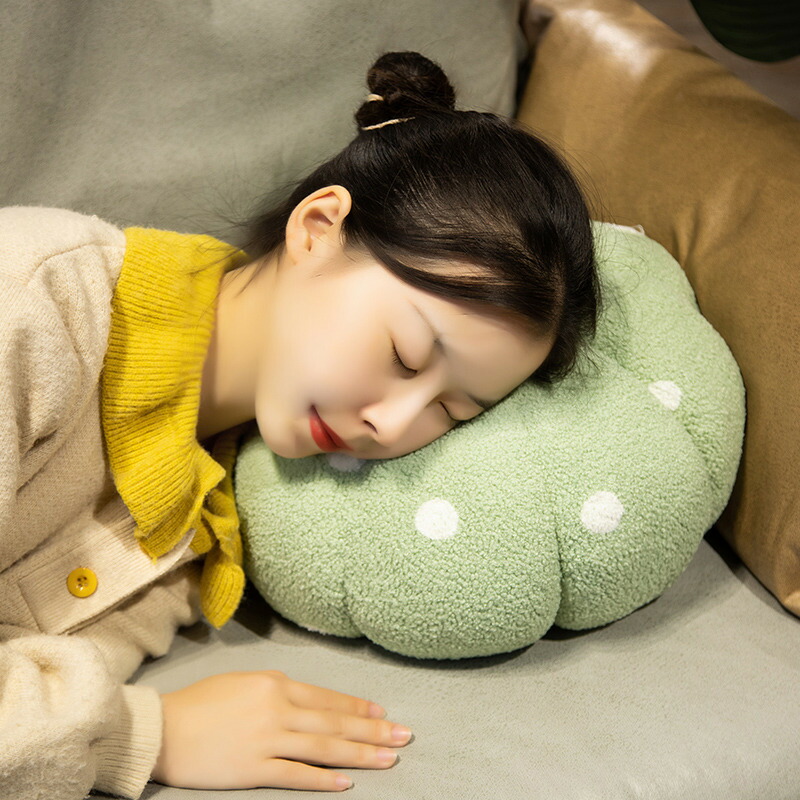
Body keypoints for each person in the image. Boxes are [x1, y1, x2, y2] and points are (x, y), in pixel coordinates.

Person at [0, 51, 600, 798]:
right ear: (318, 229)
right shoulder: (33, 306)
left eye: (452, 410)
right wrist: (146, 736)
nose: (391, 425)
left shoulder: (199, 533)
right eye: (406, 354)